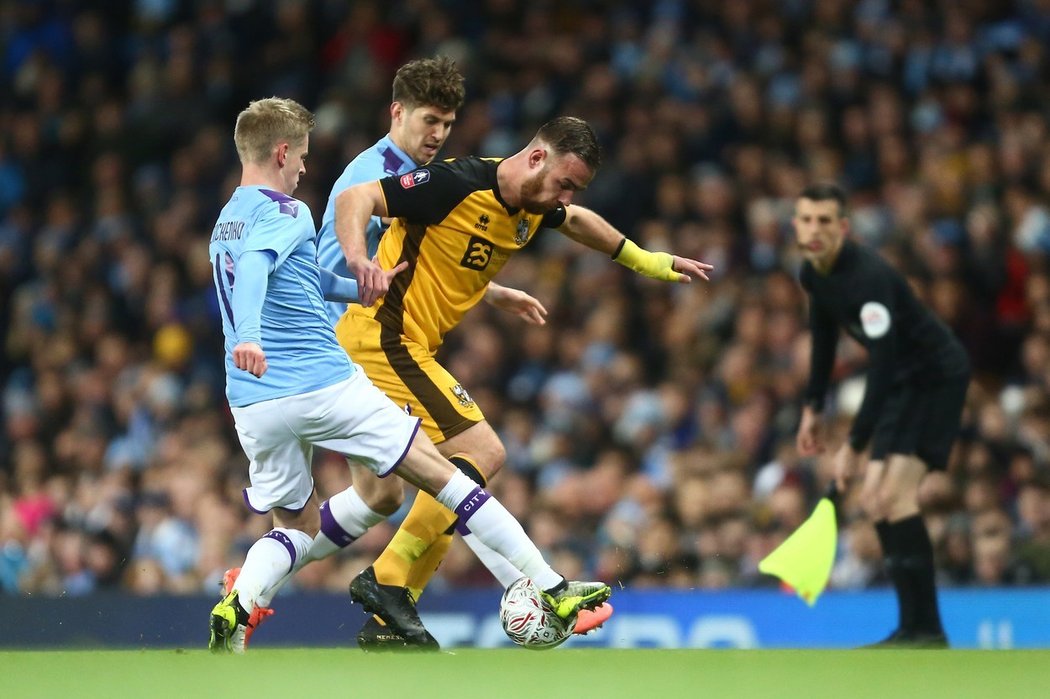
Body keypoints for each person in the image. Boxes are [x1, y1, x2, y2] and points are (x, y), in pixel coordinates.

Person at [207, 97, 610, 653]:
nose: (304, 167)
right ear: (281, 152)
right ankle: (549, 585)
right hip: (320, 383)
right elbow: (258, 269)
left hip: (251, 401)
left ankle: (241, 603)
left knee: (314, 521)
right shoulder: (289, 210)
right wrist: (251, 332)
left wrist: (364, 287)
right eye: (300, 156)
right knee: (452, 474)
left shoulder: (226, 220)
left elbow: (300, 281)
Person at [333, 115, 713, 647]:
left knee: (450, 480)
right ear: (536, 158)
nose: (565, 196)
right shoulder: (456, 183)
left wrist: (645, 260)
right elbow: (356, 199)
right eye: (564, 182)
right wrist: (357, 260)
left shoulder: (533, 206)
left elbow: (575, 220)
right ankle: (387, 580)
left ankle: (386, 620)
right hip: (382, 337)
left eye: (574, 188)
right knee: (482, 452)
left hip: (409, 346)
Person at [792, 182, 970, 648]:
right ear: (795, 225)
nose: (814, 229)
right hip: (903, 384)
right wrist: (813, 406)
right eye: (806, 219)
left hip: (934, 377)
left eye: (825, 221)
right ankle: (911, 627)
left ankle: (927, 628)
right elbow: (824, 338)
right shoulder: (813, 273)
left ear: (844, 228)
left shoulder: (867, 279)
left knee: (894, 494)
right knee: (874, 499)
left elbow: (885, 365)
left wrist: (853, 445)